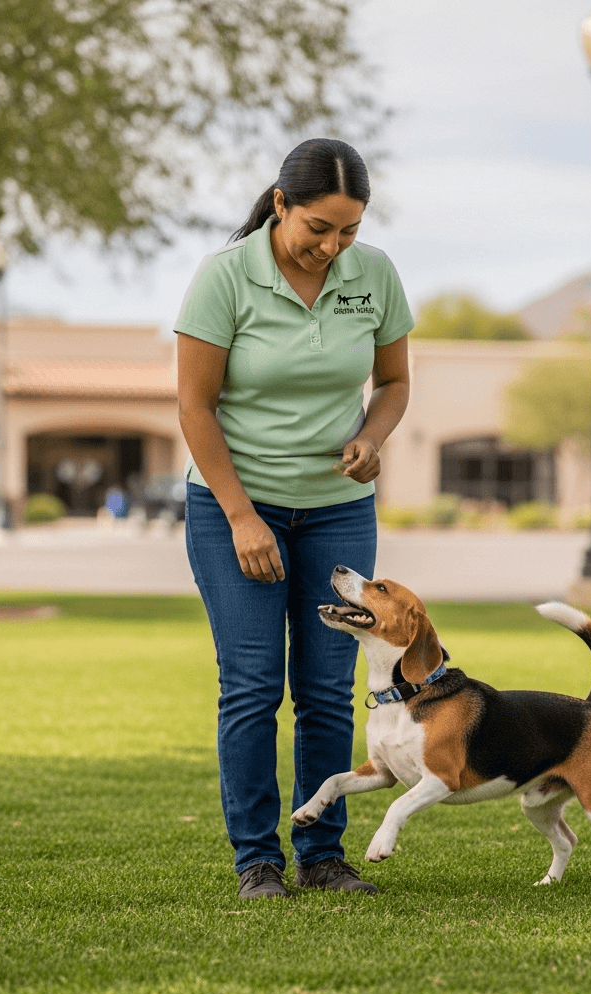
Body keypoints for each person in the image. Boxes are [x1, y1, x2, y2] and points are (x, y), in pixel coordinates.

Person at [175, 138, 414, 900]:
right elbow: (194, 406)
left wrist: (372, 439)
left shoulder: (371, 273)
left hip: (338, 512)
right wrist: (243, 516)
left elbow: (396, 380)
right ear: (280, 204)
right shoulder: (225, 278)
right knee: (250, 686)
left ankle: (321, 853)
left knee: (324, 684)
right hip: (233, 507)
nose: (331, 246)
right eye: (317, 227)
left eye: (347, 230)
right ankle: (257, 861)